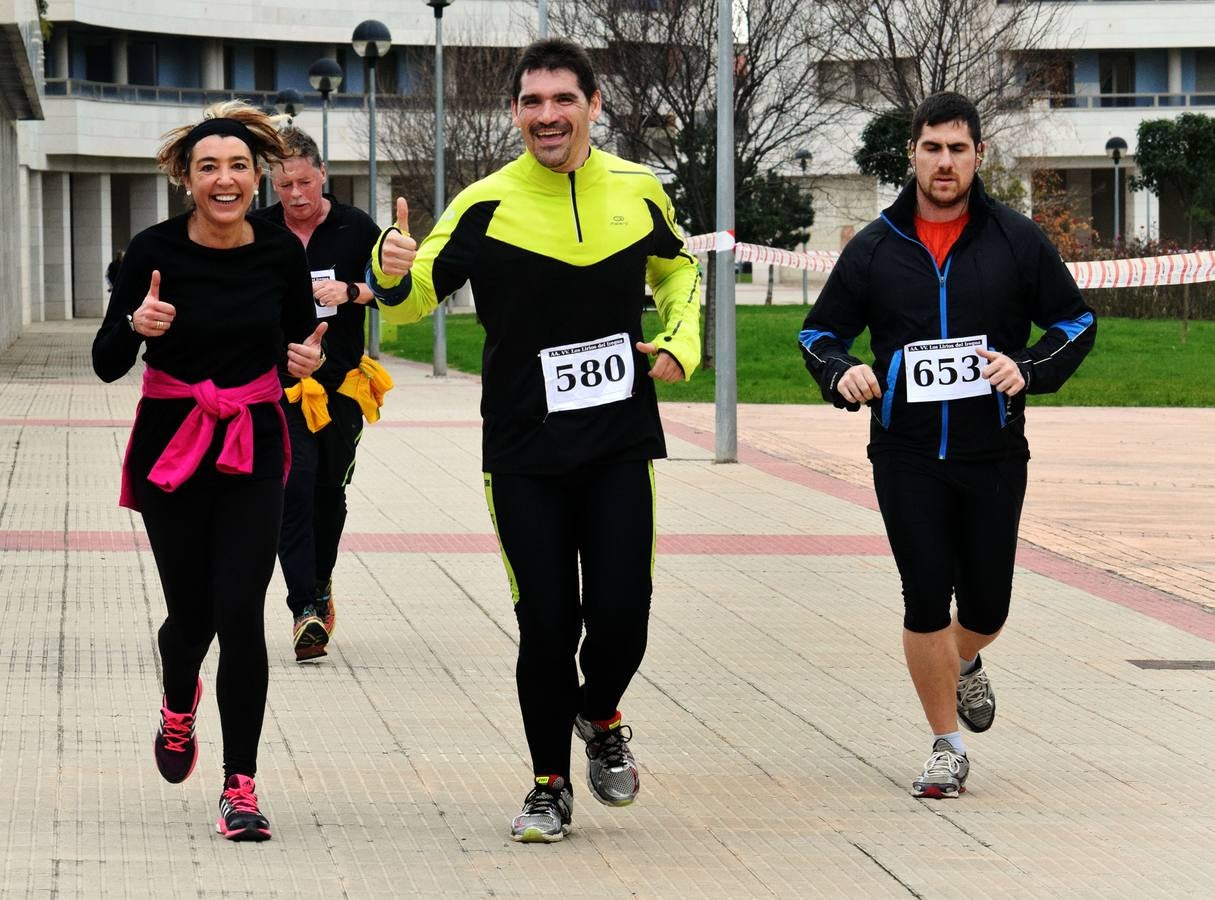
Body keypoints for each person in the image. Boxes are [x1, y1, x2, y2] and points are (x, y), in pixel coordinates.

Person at [366, 38, 701, 842]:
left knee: (623, 615)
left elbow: (677, 268)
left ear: (592, 103)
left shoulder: (637, 187)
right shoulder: (483, 202)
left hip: (620, 436)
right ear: (513, 111)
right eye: (530, 102)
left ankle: (599, 714)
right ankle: (548, 783)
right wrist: (389, 266)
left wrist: (679, 343)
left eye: (561, 100)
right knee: (547, 623)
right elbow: (410, 304)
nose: (545, 116)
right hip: (523, 449)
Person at [799, 92, 1096, 799]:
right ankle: (945, 745)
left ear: (978, 156)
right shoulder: (875, 246)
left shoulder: (1016, 241)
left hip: (991, 452)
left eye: (957, 148)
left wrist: (1026, 369)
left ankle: (960, 661)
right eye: (931, 147)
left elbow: (1075, 322)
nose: (943, 161)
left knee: (986, 608)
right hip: (903, 454)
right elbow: (818, 335)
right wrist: (844, 373)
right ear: (912, 154)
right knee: (924, 596)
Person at [92, 101, 326, 842]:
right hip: (174, 447)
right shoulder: (152, 250)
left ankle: (241, 789)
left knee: (240, 618)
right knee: (191, 617)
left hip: (252, 443)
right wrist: (136, 325)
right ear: (185, 179)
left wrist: (308, 360)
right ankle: (175, 699)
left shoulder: (278, 252)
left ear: (255, 175)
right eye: (207, 168)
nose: (224, 180)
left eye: (236, 166)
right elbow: (105, 364)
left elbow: (299, 338)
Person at [252, 127, 389, 662]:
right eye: (284, 185)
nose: (296, 195)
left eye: (305, 182)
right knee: (294, 486)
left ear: (322, 175)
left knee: (329, 492)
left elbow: (399, 289)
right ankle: (303, 608)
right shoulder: (257, 230)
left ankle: (322, 583)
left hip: (342, 386)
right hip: (280, 387)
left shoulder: (356, 227)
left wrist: (351, 291)